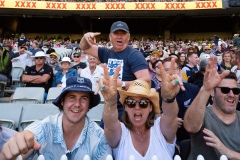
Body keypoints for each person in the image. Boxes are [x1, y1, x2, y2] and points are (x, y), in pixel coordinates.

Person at [0, 76, 112, 159]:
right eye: (72, 97)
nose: (77, 104)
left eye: (83, 98)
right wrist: (14, 150)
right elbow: (28, 140)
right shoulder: (43, 127)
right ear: (62, 101)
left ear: (89, 104)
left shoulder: (100, 138)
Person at [98, 59, 183, 159]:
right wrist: (110, 102)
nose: (137, 107)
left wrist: (169, 98)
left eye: (143, 103)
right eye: (131, 103)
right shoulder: (121, 133)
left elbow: (170, 116)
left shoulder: (160, 129)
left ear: (150, 107)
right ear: (125, 107)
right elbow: (110, 124)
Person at [80, 21, 150, 125]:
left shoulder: (135, 55)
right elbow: (84, 46)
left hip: (128, 108)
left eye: (123, 33)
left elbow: (147, 82)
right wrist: (86, 37)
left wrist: (121, 84)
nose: (120, 36)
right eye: (116, 33)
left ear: (128, 37)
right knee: (105, 138)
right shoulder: (106, 52)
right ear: (110, 37)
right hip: (110, 106)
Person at [184, 56, 240, 160]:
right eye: (225, 90)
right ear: (213, 92)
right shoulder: (203, 115)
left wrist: (227, 152)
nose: (232, 94)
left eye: (236, 91)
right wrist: (205, 89)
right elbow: (190, 126)